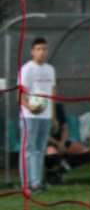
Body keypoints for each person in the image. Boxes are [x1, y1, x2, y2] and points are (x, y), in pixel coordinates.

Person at [18, 37, 57, 194]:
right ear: (32, 51)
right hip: (29, 117)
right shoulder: (27, 69)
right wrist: (30, 108)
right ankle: (26, 184)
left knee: (40, 150)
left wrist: (53, 116)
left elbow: (52, 94)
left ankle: (37, 183)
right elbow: (21, 95)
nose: (42, 52)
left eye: (44, 49)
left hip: (45, 116)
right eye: (39, 49)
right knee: (28, 149)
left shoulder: (50, 69)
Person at [45, 102, 90, 185]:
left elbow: (65, 128)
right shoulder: (41, 107)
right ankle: (51, 176)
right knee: (52, 154)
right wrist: (57, 144)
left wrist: (62, 143)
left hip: (61, 141)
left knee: (87, 152)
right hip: (47, 142)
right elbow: (42, 133)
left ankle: (62, 169)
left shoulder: (58, 107)